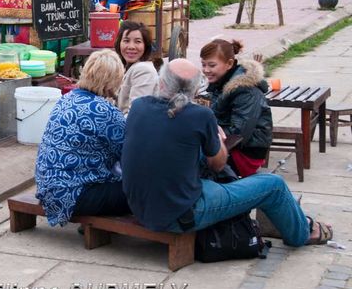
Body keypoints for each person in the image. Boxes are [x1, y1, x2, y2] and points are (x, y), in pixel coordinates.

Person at [122, 58, 333, 246]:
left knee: (210, 177)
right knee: (272, 185)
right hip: (180, 215)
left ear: (161, 83)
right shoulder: (200, 115)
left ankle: (294, 219)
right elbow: (218, 163)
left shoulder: (139, 106)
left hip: (141, 208)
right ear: (195, 91)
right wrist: (219, 139)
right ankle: (302, 233)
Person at [35, 50, 130, 227]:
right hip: (74, 195)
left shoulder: (66, 99)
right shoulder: (107, 113)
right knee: (139, 190)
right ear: (112, 81)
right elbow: (128, 156)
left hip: (46, 187)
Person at [200, 39, 272, 178]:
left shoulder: (245, 90)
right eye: (203, 65)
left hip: (245, 153)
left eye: (212, 65)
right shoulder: (222, 84)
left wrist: (206, 135)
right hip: (231, 145)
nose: (206, 70)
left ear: (229, 64)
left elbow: (239, 133)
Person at [114, 21, 159, 115]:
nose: (131, 47)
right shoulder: (126, 67)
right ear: (119, 43)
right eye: (126, 41)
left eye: (138, 42)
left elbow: (135, 114)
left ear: (145, 46)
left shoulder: (143, 70)